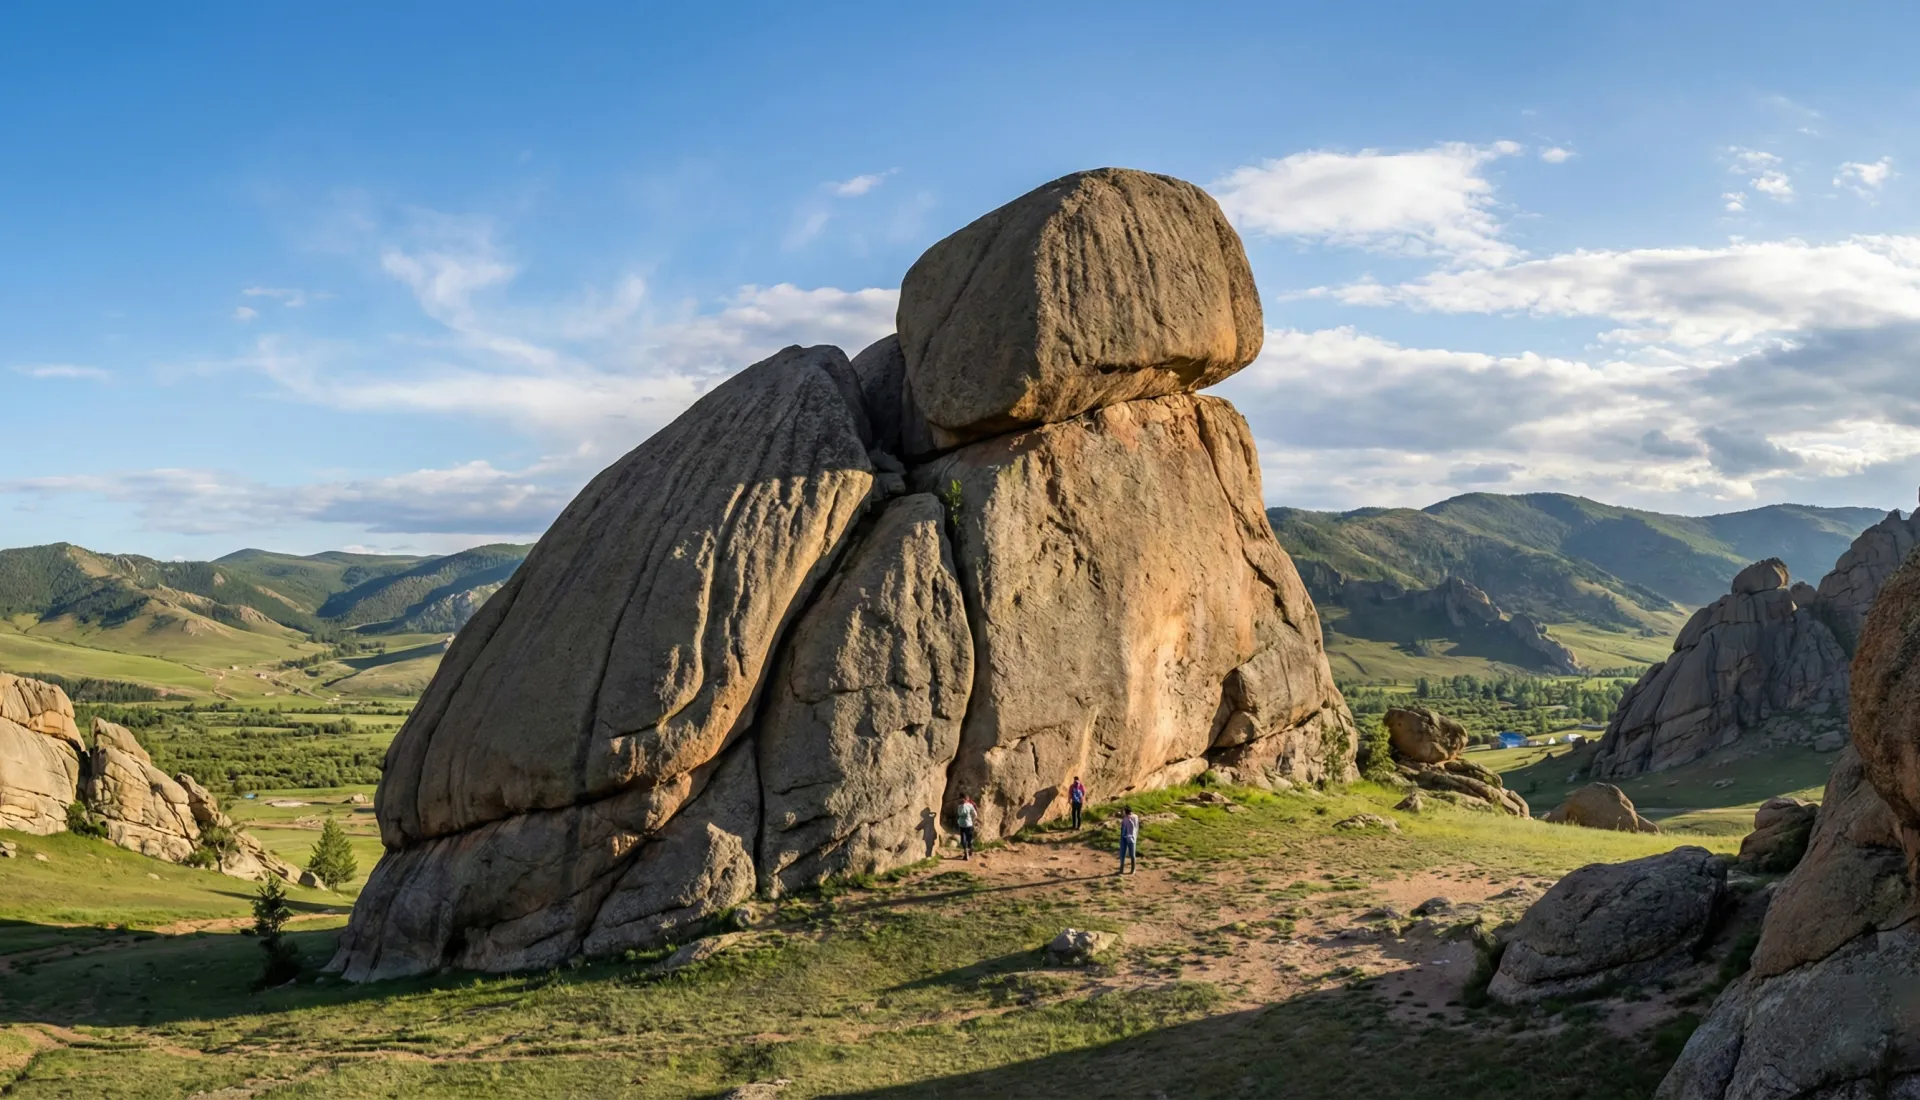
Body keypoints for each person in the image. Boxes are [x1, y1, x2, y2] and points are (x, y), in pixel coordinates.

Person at [954, 795, 978, 860]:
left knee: (963, 840)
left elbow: (959, 814)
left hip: (962, 824)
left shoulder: (960, 806)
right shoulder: (970, 805)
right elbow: (975, 815)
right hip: (968, 824)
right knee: (968, 839)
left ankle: (967, 852)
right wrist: (972, 820)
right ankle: (968, 851)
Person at [1118, 805, 1140, 874]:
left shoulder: (1132, 817)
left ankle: (1130, 870)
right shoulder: (1128, 817)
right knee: (1125, 854)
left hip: (1130, 837)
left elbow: (1135, 827)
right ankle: (1126, 870)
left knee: (1130, 854)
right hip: (1127, 837)